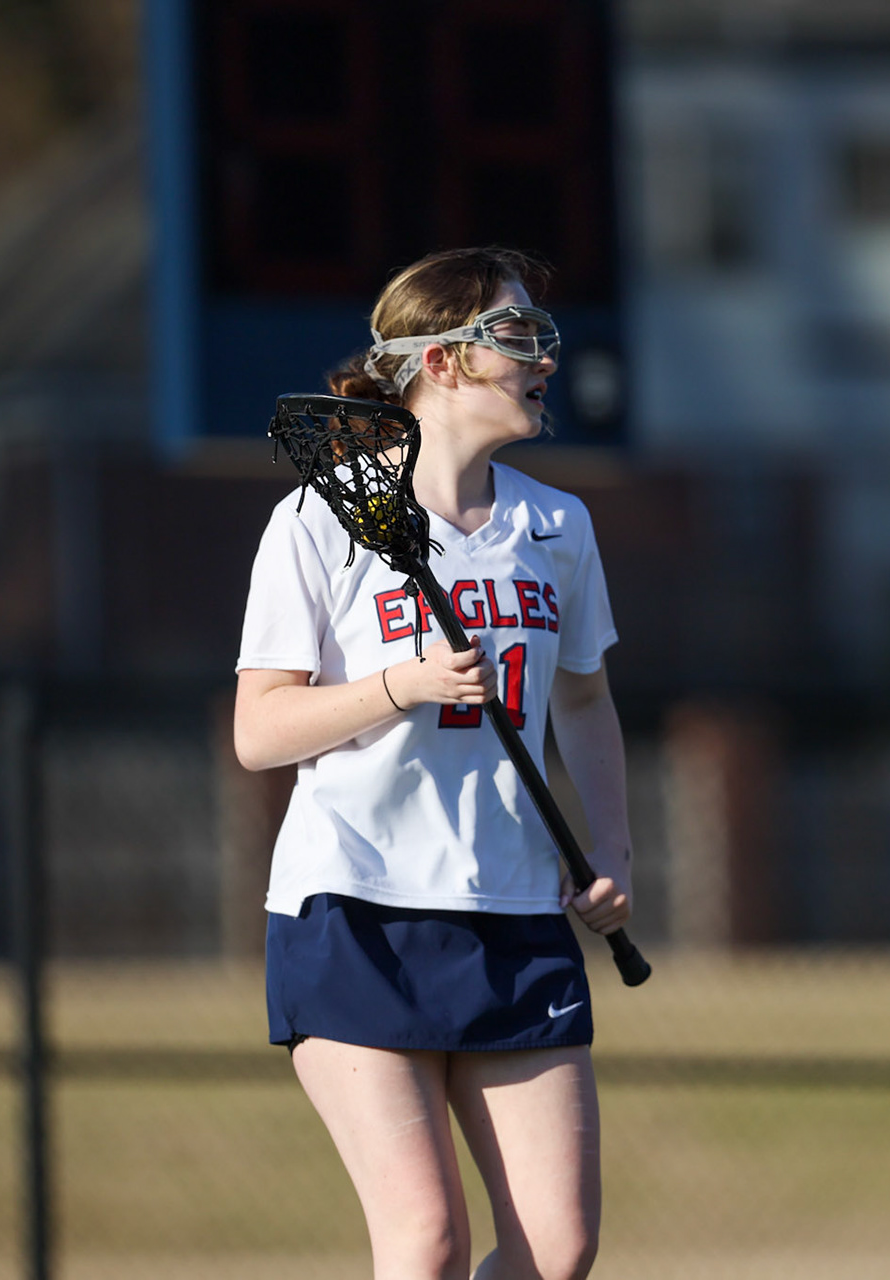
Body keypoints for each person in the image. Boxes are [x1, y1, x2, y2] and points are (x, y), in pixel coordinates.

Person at [234, 247, 632, 1280]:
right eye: (517, 336)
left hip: (516, 915)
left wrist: (612, 850)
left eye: (543, 334)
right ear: (444, 361)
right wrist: (398, 685)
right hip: (356, 910)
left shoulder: (558, 526)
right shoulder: (317, 520)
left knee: (559, 1247)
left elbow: (583, 698)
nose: (545, 358)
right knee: (427, 1241)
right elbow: (259, 729)